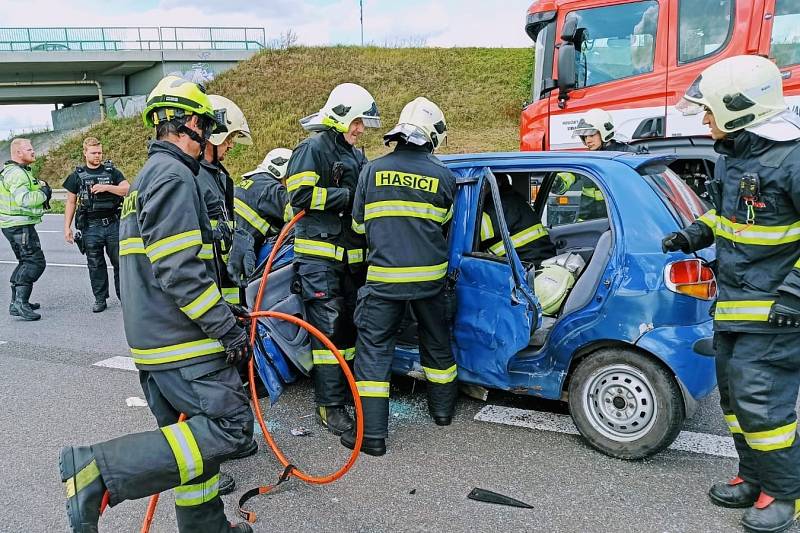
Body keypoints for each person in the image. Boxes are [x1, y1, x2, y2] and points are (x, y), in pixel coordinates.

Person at [58, 75, 254, 533]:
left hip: (157, 343)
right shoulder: (173, 177)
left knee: (191, 449)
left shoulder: (146, 179)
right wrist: (227, 329)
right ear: (190, 122)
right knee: (230, 429)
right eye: (205, 124)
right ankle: (96, 471)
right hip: (183, 344)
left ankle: (208, 528)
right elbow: (182, 271)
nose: (208, 135)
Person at [662, 55, 800, 533]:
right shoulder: (737, 159)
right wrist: (693, 235)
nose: (704, 120)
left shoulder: (794, 161)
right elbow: (729, 219)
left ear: (738, 111)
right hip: (735, 308)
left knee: (764, 404)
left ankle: (785, 494)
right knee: (736, 404)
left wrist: (796, 294)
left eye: (709, 111)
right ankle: (754, 476)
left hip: (776, 314)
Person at [341, 96, 458, 457]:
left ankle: (373, 438)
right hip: (430, 282)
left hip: (384, 281)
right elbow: (444, 226)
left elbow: (359, 225)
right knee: (437, 343)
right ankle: (442, 414)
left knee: (374, 353)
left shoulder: (371, 171)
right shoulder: (444, 175)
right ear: (432, 135)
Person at [286, 82, 379, 435]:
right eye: (356, 122)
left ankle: (347, 393)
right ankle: (329, 406)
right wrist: (347, 194)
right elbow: (300, 195)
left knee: (350, 329)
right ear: (339, 116)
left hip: (351, 261)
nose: (360, 129)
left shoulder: (356, 154)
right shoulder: (312, 148)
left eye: (362, 123)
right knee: (328, 334)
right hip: (319, 262)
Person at [63, 137, 129, 312]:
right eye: (93, 153)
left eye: (99, 152)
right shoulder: (76, 176)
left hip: (113, 225)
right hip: (90, 227)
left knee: (119, 263)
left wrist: (107, 188)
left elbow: (127, 189)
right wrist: (66, 227)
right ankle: (100, 299)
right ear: (85, 153)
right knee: (95, 264)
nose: (97, 155)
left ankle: (125, 297)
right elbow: (70, 202)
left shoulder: (112, 172)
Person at [198, 94, 253, 307]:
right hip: (208, 288)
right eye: (229, 138)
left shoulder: (218, 176)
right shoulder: (193, 176)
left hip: (225, 287)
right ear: (213, 135)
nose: (231, 146)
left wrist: (238, 238)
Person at [0, 137, 50, 321]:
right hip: (18, 225)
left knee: (24, 261)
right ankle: (20, 303)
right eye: (29, 149)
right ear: (18, 153)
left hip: (15, 224)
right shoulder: (17, 174)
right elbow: (25, 200)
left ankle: (17, 302)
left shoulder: (16, 171)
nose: (33, 151)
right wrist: (43, 194)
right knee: (34, 262)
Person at [227, 147, 292, 286]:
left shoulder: (253, 181)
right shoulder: (270, 188)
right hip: (242, 251)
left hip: (230, 248)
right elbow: (296, 208)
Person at [480, 175, 556, 269]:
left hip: (525, 267)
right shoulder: (515, 198)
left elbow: (470, 241)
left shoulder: (494, 206)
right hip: (542, 259)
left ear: (494, 184)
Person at [572, 108, 639, 152]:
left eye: (591, 135)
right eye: (585, 137)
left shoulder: (628, 154)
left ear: (604, 132)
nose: (587, 141)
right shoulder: (593, 156)